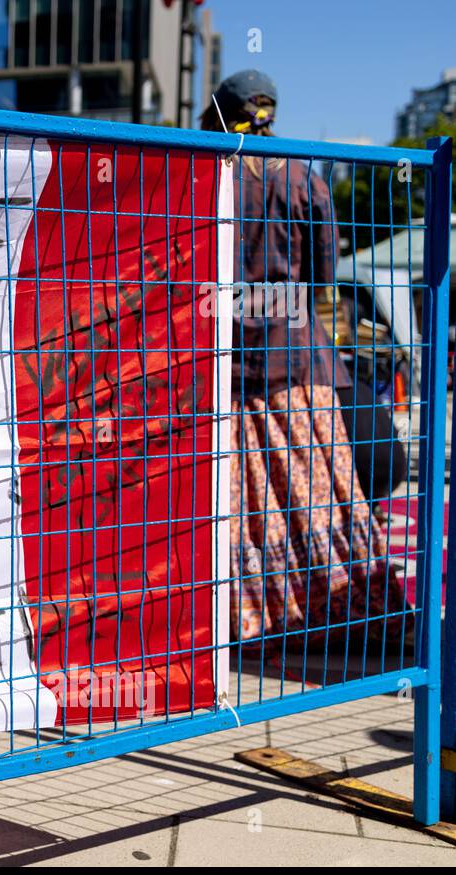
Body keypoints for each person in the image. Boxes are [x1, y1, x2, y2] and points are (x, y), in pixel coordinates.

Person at [200, 70, 408, 645]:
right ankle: (351, 608)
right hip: (300, 358)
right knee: (327, 493)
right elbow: (320, 274)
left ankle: (255, 614)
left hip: (227, 358)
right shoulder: (302, 175)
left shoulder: (204, 175)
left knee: (250, 500)